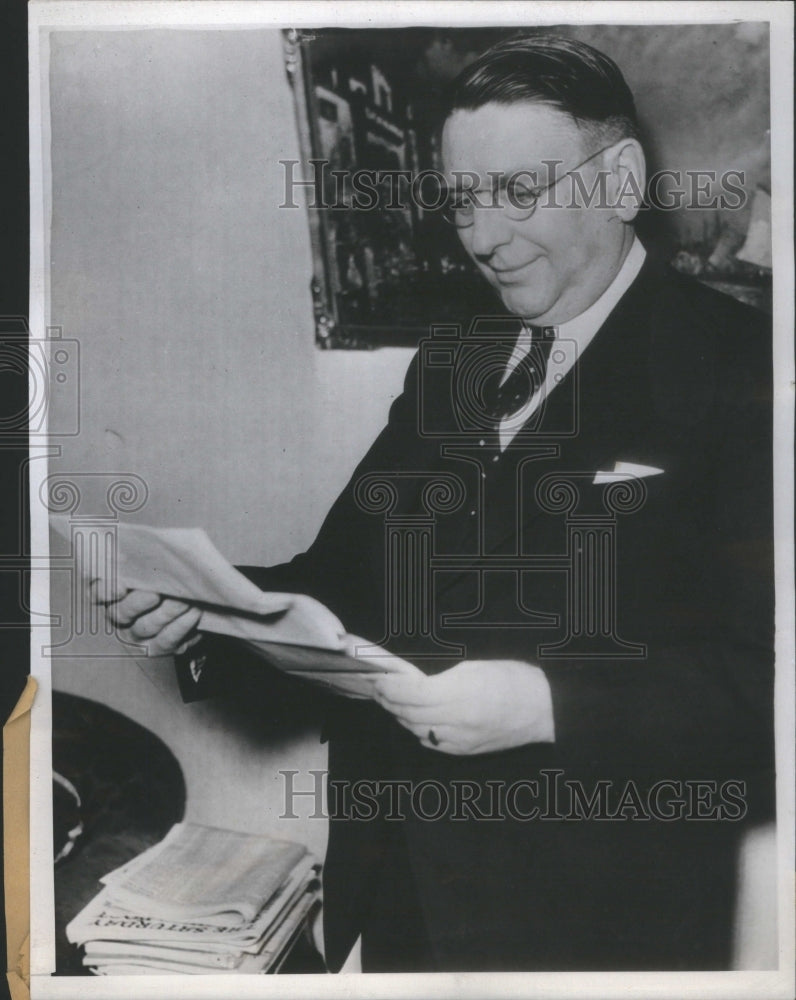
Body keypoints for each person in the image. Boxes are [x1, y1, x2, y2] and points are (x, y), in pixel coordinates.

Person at [94, 35, 774, 972]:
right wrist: (206, 610)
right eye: (462, 198)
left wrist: (548, 707)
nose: (482, 236)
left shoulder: (747, 371)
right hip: (401, 877)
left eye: (519, 193)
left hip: (604, 917)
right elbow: (343, 579)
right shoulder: (454, 360)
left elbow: (765, 686)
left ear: (619, 182)